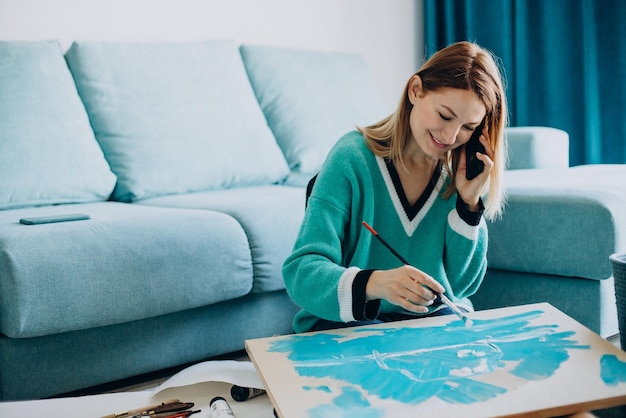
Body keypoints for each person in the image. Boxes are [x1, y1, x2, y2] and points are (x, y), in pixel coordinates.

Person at [283, 41, 508, 333]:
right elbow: (301, 273)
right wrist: (375, 283)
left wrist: (468, 205)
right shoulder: (351, 159)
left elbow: (462, 286)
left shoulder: (463, 178)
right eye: (444, 116)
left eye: (468, 127)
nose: (451, 136)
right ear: (416, 90)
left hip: (429, 329)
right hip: (352, 327)